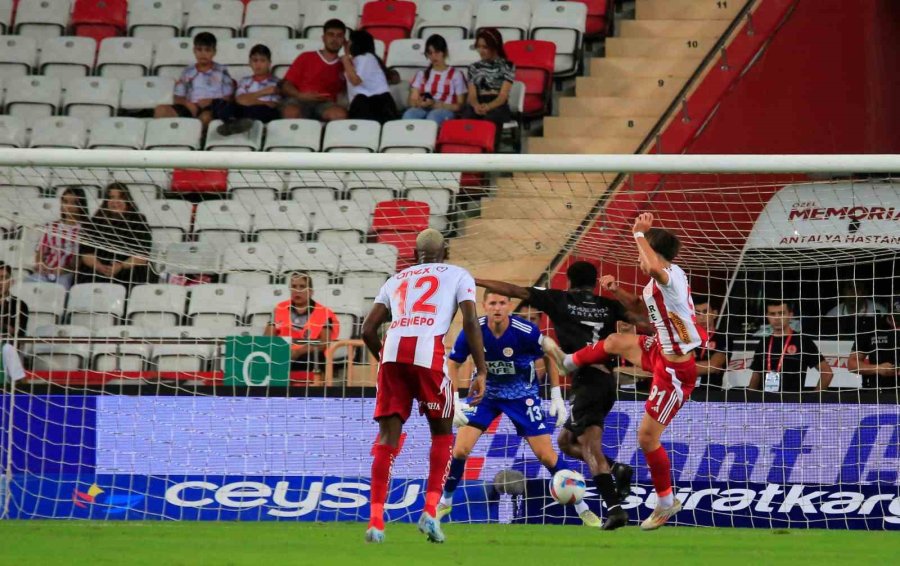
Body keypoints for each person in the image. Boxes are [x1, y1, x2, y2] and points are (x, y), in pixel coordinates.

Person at [545, 214, 707, 530]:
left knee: (647, 439)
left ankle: (665, 502)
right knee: (617, 340)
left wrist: (637, 233)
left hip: (676, 369)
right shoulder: (655, 284)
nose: (637, 253)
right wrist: (618, 291)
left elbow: (652, 267)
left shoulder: (669, 275)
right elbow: (642, 309)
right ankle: (570, 361)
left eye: (643, 246)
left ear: (651, 248)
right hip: (661, 350)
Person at [476, 262, 641, 530]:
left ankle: (614, 509)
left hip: (588, 380)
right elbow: (642, 320)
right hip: (605, 380)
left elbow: (513, 290)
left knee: (589, 447)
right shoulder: (609, 305)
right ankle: (616, 469)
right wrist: (619, 293)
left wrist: (476, 280)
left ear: (568, 281)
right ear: (595, 282)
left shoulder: (558, 298)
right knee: (566, 441)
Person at [361, 228, 487, 544]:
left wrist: (386, 359)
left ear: (416, 253)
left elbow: (367, 330)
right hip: (428, 353)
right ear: (444, 249)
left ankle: (376, 523)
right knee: (443, 434)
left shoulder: (395, 280)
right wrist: (481, 370)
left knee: (387, 437)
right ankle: (430, 513)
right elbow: (471, 323)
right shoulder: (459, 274)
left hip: (391, 353)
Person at [438, 292, 604, 527]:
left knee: (546, 456)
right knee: (460, 450)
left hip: (522, 396)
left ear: (509, 306)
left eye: (502, 303)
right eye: (493, 303)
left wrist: (556, 395)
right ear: (484, 306)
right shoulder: (473, 330)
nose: (497, 308)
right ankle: (445, 501)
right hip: (487, 394)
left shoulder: (524, 331)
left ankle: (582, 507)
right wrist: (454, 399)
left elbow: (549, 354)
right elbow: (453, 362)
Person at [77, 183, 157, 290]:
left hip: (128, 269)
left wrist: (121, 266)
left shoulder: (138, 221)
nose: (116, 202)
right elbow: (86, 253)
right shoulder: (94, 222)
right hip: (98, 271)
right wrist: (99, 267)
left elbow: (142, 256)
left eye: (120, 197)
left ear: (127, 201)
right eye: (111, 198)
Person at [263, 271, 340, 378]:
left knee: (314, 357)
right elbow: (267, 337)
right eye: (294, 286)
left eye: (302, 286)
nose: (297, 290)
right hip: (282, 351)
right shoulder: (280, 308)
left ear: (310, 291)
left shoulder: (324, 312)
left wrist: (298, 352)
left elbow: (324, 343)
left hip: (308, 353)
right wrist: (282, 350)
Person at [746, 299, 834, 392]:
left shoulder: (803, 341)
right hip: (767, 402)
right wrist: (749, 402)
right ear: (767, 316)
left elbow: (827, 373)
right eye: (772, 314)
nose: (777, 318)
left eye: (781, 313)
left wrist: (813, 401)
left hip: (793, 403)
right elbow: (756, 375)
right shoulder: (763, 343)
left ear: (790, 315)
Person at [154, 32, 235, 128]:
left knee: (205, 117)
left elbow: (229, 97)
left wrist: (211, 101)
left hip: (212, 107)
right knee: (160, 109)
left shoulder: (221, 70)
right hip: (190, 107)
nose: (203, 54)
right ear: (194, 51)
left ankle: (194, 140)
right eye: (199, 50)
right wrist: (186, 103)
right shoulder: (188, 71)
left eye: (207, 50)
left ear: (214, 52)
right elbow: (178, 96)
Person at [281, 19, 348, 122]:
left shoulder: (345, 64)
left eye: (339, 36)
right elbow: (286, 84)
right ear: (323, 38)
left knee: (339, 115)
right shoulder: (306, 57)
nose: (335, 39)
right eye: (331, 35)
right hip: (300, 99)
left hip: (326, 104)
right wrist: (300, 95)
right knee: (291, 112)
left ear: (344, 40)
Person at [26, 187, 89, 290]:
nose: (68, 206)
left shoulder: (85, 229)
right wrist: (42, 265)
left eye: (73, 203)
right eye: (65, 202)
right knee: (28, 284)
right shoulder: (52, 226)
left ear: (81, 205)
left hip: (69, 273)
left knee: (60, 287)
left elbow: (79, 260)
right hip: (47, 270)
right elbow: (41, 252)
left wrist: (64, 270)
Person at [216, 44, 282, 136]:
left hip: (262, 112)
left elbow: (272, 105)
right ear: (249, 63)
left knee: (262, 110)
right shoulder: (244, 81)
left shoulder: (276, 82)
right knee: (225, 106)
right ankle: (236, 124)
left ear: (269, 63)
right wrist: (262, 93)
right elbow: (240, 99)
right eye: (255, 60)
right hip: (245, 109)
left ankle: (233, 125)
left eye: (262, 61)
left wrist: (250, 100)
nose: (258, 64)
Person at [402, 34, 467, 126]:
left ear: (444, 52)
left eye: (437, 52)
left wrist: (438, 105)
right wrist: (419, 103)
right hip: (423, 108)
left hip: (446, 109)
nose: (433, 56)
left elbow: (460, 105)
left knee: (433, 117)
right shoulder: (422, 74)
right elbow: (412, 100)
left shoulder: (456, 75)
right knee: (409, 115)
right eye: (430, 53)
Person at [460, 27, 514, 132]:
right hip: (478, 101)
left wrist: (488, 107)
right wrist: (476, 105)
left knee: (490, 119)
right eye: (479, 47)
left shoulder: (507, 66)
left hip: (497, 104)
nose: (481, 51)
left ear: (495, 47)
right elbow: (472, 94)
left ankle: (490, 147)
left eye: (485, 47)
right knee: (468, 116)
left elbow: (503, 96)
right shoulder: (473, 67)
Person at [342, 30, 399, 124]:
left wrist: (345, 60)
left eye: (349, 41)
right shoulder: (359, 59)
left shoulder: (366, 58)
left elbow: (355, 80)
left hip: (374, 105)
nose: (347, 44)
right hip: (370, 104)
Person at [848, 305, 899, 389]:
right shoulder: (871, 326)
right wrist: (878, 368)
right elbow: (852, 364)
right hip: (879, 389)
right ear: (889, 313)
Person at [692, 295, 730, 387]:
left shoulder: (722, 337)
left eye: (705, 312)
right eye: (697, 313)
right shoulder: (687, 338)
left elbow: (714, 366)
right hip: (687, 390)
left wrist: (682, 367)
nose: (701, 317)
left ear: (715, 313)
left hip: (712, 392)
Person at [0, 262, 28, 382]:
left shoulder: (19, 305)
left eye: (3, 278)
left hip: (6, 347)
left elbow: (17, 333)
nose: (0, 282)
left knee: (7, 349)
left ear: (11, 281)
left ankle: (21, 389)